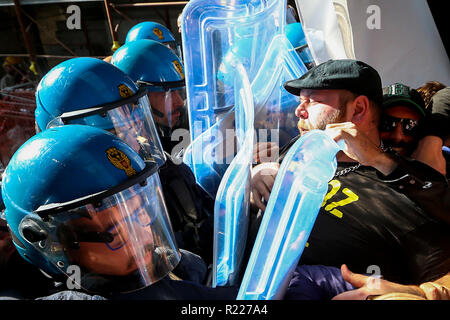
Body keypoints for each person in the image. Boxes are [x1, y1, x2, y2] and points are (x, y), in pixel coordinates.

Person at [250, 59, 450, 298]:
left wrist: (420, 292)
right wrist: (257, 171)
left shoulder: (407, 188)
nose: (298, 110)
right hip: (232, 269)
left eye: (312, 100)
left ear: (358, 109)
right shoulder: (300, 147)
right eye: (300, 101)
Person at [1, 125, 237, 300]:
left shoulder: (173, 268)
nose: (142, 236)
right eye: (115, 230)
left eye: (141, 213)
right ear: (51, 243)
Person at [34, 57, 215, 264]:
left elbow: (212, 217)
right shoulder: (70, 212)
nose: (135, 144)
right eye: (117, 134)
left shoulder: (169, 171)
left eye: (135, 127)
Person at [111, 39, 189, 157]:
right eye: (168, 94)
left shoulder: (172, 135)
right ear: (136, 99)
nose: (180, 102)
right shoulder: (129, 153)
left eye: (179, 92)